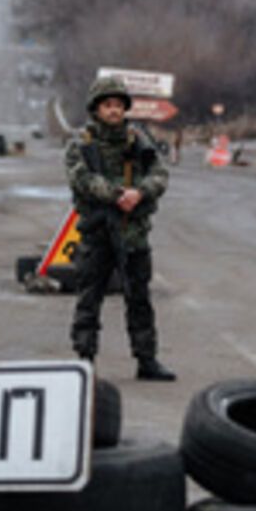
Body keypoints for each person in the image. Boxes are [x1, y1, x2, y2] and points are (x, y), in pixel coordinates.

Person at [65, 76, 175, 381]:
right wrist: (117, 196)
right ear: (96, 109)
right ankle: (84, 360)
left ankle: (147, 359)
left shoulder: (137, 139)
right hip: (97, 233)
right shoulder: (82, 145)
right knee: (89, 298)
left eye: (118, 105)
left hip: (132, 231)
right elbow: (82, 180)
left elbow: (160, 173)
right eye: (107, 105)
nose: (113, 111)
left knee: (139, 298)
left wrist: (140, 193)